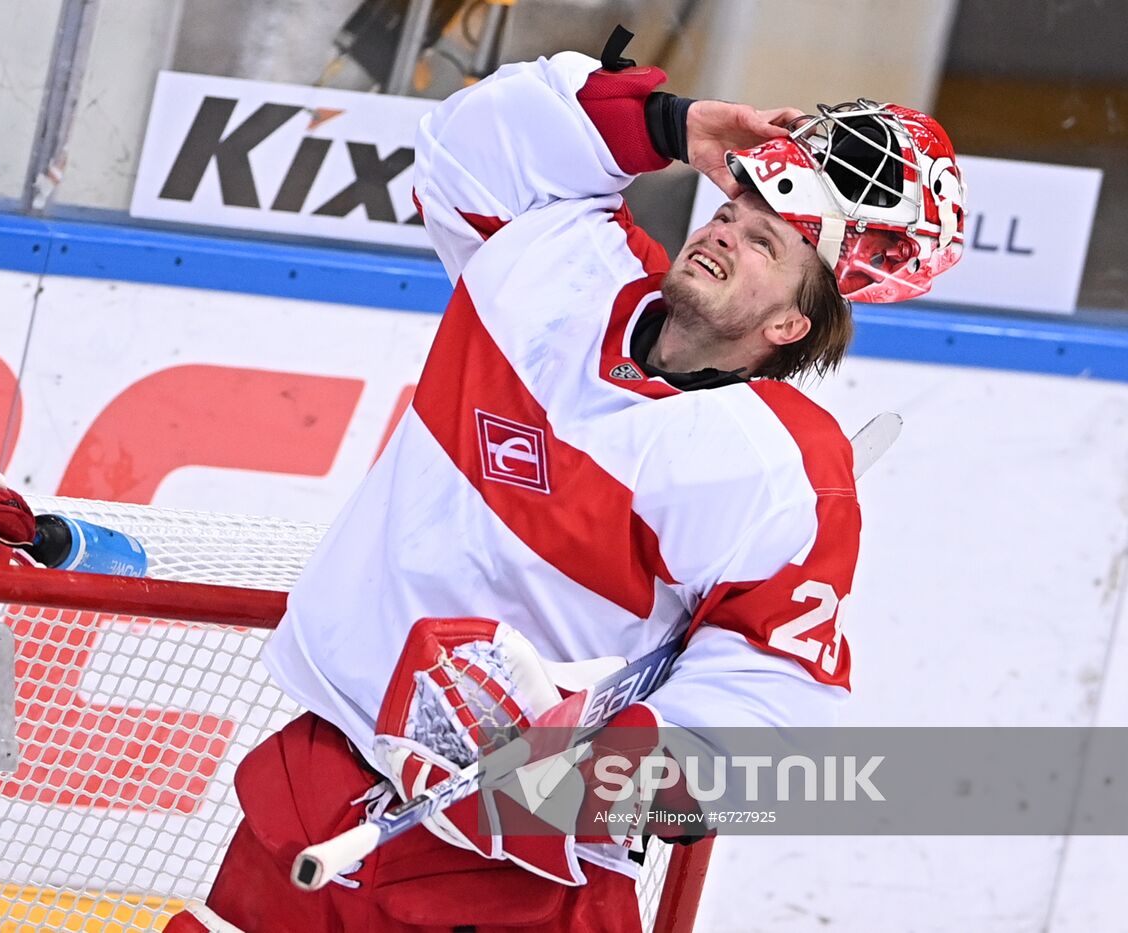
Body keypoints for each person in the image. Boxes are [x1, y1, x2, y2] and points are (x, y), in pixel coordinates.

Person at [165, 31, 965, 933]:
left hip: (511, 884)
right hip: (321, 785)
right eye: (728, 214)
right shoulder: (557, 267)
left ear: (790, 324)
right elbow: (466, 148)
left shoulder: (774, 465)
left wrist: (565, 788)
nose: (721, 234)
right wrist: (666, 122)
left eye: (763, 244)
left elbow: (775, 703)